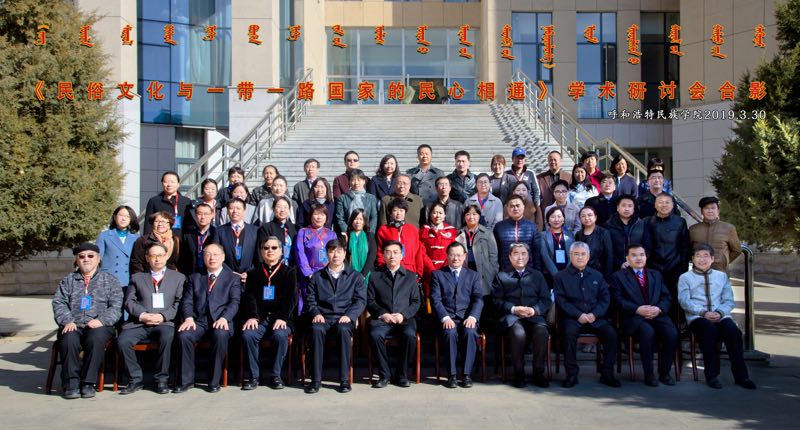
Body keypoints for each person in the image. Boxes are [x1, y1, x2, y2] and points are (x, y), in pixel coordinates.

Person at [678, 243, 756, 390]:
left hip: (720, 315)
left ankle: (741, 376)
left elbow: (729, 300)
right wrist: (704, 313)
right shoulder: (685, 277)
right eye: (698, 256)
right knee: (709, 331)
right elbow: (684, 301)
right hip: (697, 317)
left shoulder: (721, 276)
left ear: (712, 259)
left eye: (706, 256)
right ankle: (712, 375)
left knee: (734, 332)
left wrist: (719, 312)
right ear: (692, 259)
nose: (702, 259)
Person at [52, 243, 122, 399]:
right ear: (76, 260)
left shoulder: (110, 280)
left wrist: (102, 320)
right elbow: (59, 302)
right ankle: (71, 384)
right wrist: (67, 320)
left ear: (98, 259)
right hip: (73, 324)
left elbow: (116, 306)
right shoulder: (68, 280)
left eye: (91, 256)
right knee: (68, 339)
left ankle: (88, 383)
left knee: (95, 338)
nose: (86, 259)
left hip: (100, 325)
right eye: (81, 256)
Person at [118, 243, 185, 395]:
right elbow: (129, 301)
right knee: (123, 341)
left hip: (164, 322)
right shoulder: (137, 277)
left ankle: (161, 380)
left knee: (167, 338)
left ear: (166, 257)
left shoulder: (179, 278)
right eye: (153, 256)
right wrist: (143, 315)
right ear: (147, 258)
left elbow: (179, 302)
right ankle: (135, 379)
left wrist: (163, 316)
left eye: (160, 255)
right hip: (140, 322)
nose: (157, 259)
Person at [175, 243, 241, 393]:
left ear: (223, 257)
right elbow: (187, 301)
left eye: (216, 254)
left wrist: (224, 318)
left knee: (220, 334)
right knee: (184, 336)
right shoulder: (194, 277)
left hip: (221, 320)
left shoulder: (232, 278)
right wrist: (188, 318)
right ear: (203, 257)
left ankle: (214, 381)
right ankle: (186, 381)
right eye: (208, 254)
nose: (212, 258)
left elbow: (234, 302)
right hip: (198, 321)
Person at [554, 242, 620, 388]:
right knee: (568, 333)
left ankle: (607, 373)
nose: (580, 257)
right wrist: (578, 314)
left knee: (611, 334)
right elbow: (561, 300)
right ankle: (571, 374)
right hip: (572, 318)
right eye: (576, 254)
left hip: (595, 318)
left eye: (583, 254)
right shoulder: (560, 277)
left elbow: (605, 298)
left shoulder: (597, 275)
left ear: (588, 256)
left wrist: (595, 314)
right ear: (570, 256)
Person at [304, 240, 367, 394]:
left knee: (344, 331)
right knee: (316, 330)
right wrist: (316, 313)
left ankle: (344, 380)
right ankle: (315, 380)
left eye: (339, 251)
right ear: (327, 254)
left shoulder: (355, 276)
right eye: (332, 251)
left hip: (344, 317)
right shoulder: (317, 276)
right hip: (323, 317)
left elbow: (360, 301)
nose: (335, 255)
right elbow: (310, 300)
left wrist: (350, 315)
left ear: (344, 254)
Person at [611, 244, 678, 387]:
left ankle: (664, 373)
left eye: (641, 255)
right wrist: (637, 309)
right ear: (627, 259)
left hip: (657, 315)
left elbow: (667, 297)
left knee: (671, 334)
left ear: (646, 257)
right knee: (647, 332)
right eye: (634, 255)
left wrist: (658, 309)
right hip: (634, 317)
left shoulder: (656, 274)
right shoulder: (618, 276)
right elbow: (617, 300)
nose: (639, 258)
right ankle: (649, 374)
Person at [241, 237, 297, 390]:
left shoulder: (289, 272)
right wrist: (253, 316)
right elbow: (250, 297)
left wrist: (282, 317)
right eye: (266, 248)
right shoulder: (253, 273)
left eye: (274, 248)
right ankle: (254, 376)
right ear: (261, 251)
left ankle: (276, 375)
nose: (270, 251)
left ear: (281, 251)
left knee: (280, 335)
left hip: (281, 318)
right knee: (248, 335)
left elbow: (292, 298)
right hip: (260, 318)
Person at [492, 243, 551, 388]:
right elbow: (496, 301)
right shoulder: (501, 276)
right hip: (512, 317)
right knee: (518, 333)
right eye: (516, 253)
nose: (520, 257)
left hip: (534, 316)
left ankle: (538, 372)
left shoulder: (537, 275)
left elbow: (546, 300)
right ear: (509, 257)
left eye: (524, 253)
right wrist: (513, 309)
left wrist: (534, 310)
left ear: (529, 256)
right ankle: (519, 373)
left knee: (542, 332)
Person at [367, 240, 422, 388]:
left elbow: (416, 301)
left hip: (404, 319)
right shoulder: (375, 276)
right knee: (375, 335)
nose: (392, 256)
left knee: (410, 335)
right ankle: (384, 375)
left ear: (401, 255)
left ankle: (402, 375)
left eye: (396, 252)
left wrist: (403, 315)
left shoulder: (410, 276)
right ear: (383, 255)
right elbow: (370, 301)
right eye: (388, 252)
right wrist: (382, 314)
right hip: (382, 320)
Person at [430, 242, 484, 388]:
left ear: (465, 256)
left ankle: (466, 375)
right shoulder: (438, 275)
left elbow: (478, 299)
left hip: (467, 318)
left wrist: (473, 317)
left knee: (470, 332)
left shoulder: (473, 275)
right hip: (447, 318)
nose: (456, 258)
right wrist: (445, 317)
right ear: (447, 256)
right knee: (450, 333)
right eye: (452, 255)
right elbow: (435, 299)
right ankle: (452, 375)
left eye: (459, 255)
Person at [644, 194, 690, 305]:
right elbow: (645, 245)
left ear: (673, 205)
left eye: (667, 202)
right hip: (653, 268)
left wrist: (683, 267)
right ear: (655, 205)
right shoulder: (647, 222)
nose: (664, 205)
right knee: (655, 298)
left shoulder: (680, 222)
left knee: (674, 299)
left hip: (675, 268)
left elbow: (685, 246)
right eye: (660, 202)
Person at [296, 203, 338, 314]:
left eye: (322, 214)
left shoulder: (331, 234)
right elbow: (300, 253)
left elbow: (335, 254)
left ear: (326, 218)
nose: (319, 217)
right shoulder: (303, 232)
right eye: (316, 214)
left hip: (327, 274)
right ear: (310, 216)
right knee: (308, 301)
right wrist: (308, 273)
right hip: (309, 274)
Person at [376, 198, 429, 283]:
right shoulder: (383, 230)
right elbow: (380, 251)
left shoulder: (413, 230)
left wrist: (419, 272)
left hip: (410, 269)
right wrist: (382, 266)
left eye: (401, 210)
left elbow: (418, 252)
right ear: (390, 213)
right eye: (395, 210)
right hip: (390, 268)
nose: (398, 213)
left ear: (405, 212)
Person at [456, 205, 499, 308]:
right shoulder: (459, 233)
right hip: (466, 271)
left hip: (483, 272)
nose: (471, 217)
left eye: (474, 214)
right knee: (468, 301)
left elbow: (493, 256)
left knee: (484, 302)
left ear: (479, 216)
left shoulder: (487, 233)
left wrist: (492, 272)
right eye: (468, 214)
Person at [96, 206, 140, 302]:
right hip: (108, 278)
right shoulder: (104, 235)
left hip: (128, 279)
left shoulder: (137, 238)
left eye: (127, 216)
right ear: (115, 217)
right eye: (121, 215)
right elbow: (97, 259)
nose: (123, 218)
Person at [689, 196, 742, 274]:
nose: (710, 211)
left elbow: (736, 250)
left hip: (720, 272)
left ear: (718, 211)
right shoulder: (693, 229)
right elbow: (688, 250)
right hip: (698, 272)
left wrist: (723, 262)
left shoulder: (728, 228)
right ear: (702, 211)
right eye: (706, 208)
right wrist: (699, 262)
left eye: (713, 208)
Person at [493, 195, 542, 272]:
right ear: (507, 208)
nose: (515, 208)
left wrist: (537, 272)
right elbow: (496, 252)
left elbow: (537, 253)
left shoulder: (532, 227)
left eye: (518, 206)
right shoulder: (499, 227)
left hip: (528, 272)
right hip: (506, 272)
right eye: (512, 206)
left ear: (523, 207)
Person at [217, 198, 259, 283]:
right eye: (231, 208)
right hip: (227, 278)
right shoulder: (219, 231)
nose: (235, 211)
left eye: (238, 208)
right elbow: (217, 254)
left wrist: (249, 272)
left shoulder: (255, 230)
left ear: (244, 211)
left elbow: (258, 256)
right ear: (227, 211)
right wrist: (229, 272)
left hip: (249, 278)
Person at [606, 194, 648, 272]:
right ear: (617, 208)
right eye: (623, 205)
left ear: (634, 208)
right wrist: (620, 263)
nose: (626, 209)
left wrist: (637, 261)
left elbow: (647, 246)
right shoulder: (609, 225)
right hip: (615, 268)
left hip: (638, 266)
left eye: (630, 206)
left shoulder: (641, 224)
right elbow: (607, 249)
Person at [575, 206, 614, 280]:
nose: (586, 218)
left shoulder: (604, 233)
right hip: (582, 273)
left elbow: (609, 256)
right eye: (583, 216)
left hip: (600, 273)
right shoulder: (578, 234)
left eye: (590, 215)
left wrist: (607, 277)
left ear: (595, 217)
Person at [179, 203, 218, 276]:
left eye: (206, 214)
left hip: (211, 274)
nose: (203, 217)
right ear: (195, 215)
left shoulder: (217, 233)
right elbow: (182, 257)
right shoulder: (187, 234)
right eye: (199, 214)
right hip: (191, 274)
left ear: (212, 215)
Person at [257, 196, 297, 266]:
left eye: (285, 207)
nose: (282, 210)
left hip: (292, 267)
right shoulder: (266, 228)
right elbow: (261, 251)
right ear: (273, 208)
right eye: (279, 207)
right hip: (273, 266)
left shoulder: (294, 228)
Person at [336, 169, 379, 234]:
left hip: (366, 233)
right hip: (348, 233)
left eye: (359, 180)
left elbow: (374, 217)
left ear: (364, 181)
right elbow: (340, 218)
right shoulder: (342, 198)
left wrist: (370, 233)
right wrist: (348, 232)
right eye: (353, 180)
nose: (356, 183)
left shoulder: (371, 198)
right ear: (349, 182)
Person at [540, 207, 575, 286]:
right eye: (553, 217)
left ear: (563, 220)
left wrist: (566, 273)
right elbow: (545, 256)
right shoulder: (543, 235)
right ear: (548, 220)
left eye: (559, 216)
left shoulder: (570, 234)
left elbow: (572, 254)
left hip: (568, 274)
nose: (556, 219)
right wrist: (556, 275)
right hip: (550, 274)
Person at [420, 202, 458, 272]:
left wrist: (446, 266)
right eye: (434, 213)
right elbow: (422, 252)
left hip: (447, 270)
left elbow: (454, 250)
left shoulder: (451, 230)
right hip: (428, 270)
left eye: (440, 213)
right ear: (430, 215)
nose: (437, 216)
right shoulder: (424, 230)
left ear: (444, 215)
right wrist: (431, 268)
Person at [345, 209, 377, 285]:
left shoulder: (370, 236)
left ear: (365, 221)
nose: (358, 222)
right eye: (355, 219)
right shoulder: (347, 236)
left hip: (367, 274)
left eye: (361, 219)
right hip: (350, 275)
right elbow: (344, 256)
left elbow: (371, 256)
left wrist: (363, 274)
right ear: (351, 220)